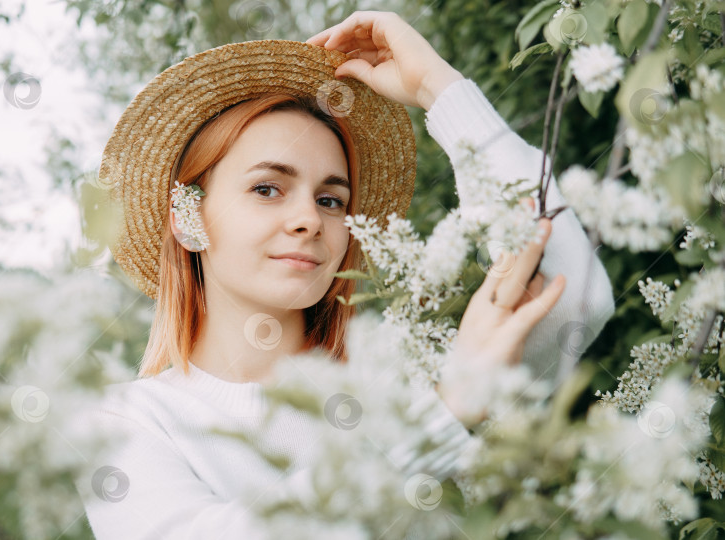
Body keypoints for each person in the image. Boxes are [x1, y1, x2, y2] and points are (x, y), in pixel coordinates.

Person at [75, 10, 615, 538]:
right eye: (267, 188)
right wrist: (442, 413)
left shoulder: (404, 374)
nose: (310, 219)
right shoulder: (129, 421)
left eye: (332, 200)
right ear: (188, 218)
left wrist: (439, 89)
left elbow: (573, 297)